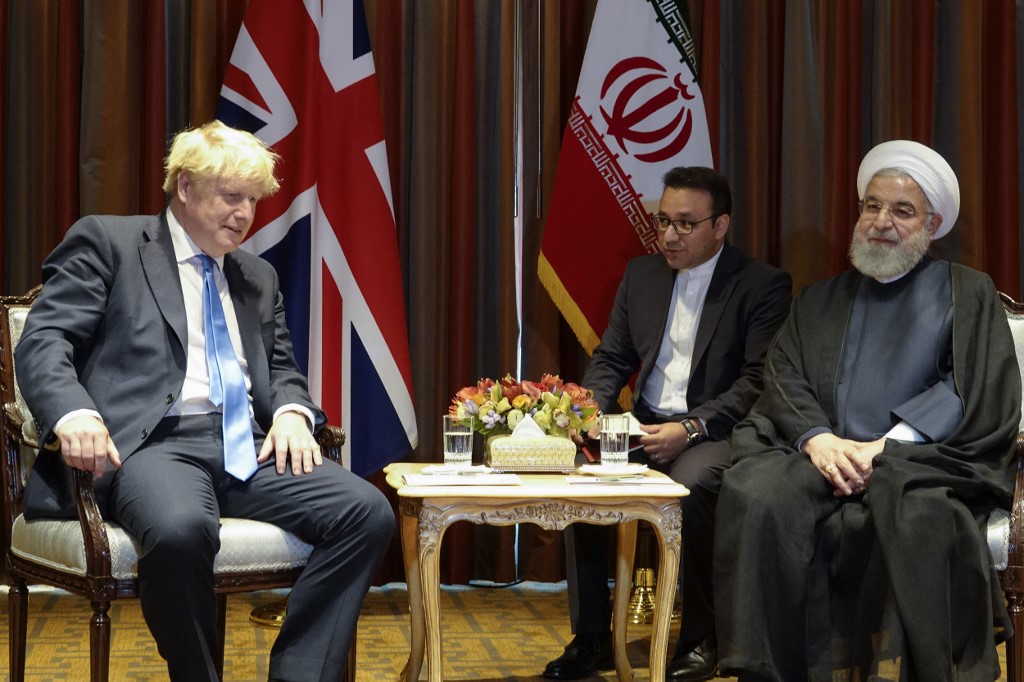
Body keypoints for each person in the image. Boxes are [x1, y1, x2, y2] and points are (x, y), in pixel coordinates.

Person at [15, 120, 394, 682]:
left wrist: (292, 412)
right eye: (230, 197)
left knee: (366, 512)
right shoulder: (110, 242)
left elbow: (282, 367)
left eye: (252, 201)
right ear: (186, 188)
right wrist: (74, 412)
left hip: (248, 446)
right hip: (151, 447)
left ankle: (299, 674)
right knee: (179, 532)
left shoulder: (257, 276)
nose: (243, 214)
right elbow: (46, 340)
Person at [713, 140, 1021, 681]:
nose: (882, 221)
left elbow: (971, 386)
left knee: (925, 516)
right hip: (821, 454)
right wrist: (819, 440)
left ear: (933, 223)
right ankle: (770, 671)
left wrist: (885, 446)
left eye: (902, 211)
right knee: (755, 494)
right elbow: (783, 375)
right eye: (872, 206)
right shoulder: (819, 298)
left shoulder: (967, 292)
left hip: (919, 461)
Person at [542, 166, 792, 681]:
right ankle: (590, 635)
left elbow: (756, 381)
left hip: (714, 430)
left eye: (685, 224)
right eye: (662, 222)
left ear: (719, 226)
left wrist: (694, 428)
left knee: (692, 486)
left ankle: (701, 637)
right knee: (579, 474)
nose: (669, 236)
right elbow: (612, 358)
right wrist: (589, 411)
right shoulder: (642, 275)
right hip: (645, 422)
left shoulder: (762, 285)